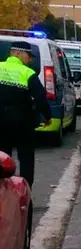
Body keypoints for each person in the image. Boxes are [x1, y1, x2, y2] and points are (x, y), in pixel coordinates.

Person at [0, 41, 52, 187]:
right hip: (23, 123)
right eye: (28, 56)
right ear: (18, 53)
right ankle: (25, 190)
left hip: (1, 121)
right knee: (26, 158)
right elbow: (41, 98)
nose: (30, 60)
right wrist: (47, 116)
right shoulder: (27, 73)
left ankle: (2, 189)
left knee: (2, 156)